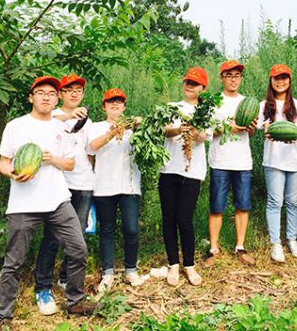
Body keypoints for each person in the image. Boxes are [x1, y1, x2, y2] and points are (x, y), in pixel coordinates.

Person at [0, 76, 94, 331]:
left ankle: (76, 300)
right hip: (23, 204)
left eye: (51, 92)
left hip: (58, 200)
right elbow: (3, 162)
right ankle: (3, 316)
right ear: (31, 97)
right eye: (40, 92)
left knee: (78, 248)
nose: (46, 96)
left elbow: (70, 163)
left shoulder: (62, 128)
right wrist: (13, 173)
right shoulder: (16, 126)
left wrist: (53, 160)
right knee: (14, 260)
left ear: (57, 98)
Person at [34, 74, 93, 314]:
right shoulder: (53, 116)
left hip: (84, 182)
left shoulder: (87, 120)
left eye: (78, 90)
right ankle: (42, 286)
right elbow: (54, 120)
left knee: (77, 236)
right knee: (53, 237)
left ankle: (66, 278)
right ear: (61, 94)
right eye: (69, 90)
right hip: (61, 184)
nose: (74, 93)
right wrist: (70, 115)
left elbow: (90, 150)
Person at [88, 88, 148, 296]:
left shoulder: (135, 128)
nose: (115, 105)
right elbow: (92, 147)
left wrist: (141, 128)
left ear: (124, 107)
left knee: (131, 229)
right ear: (104, 106)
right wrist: (112, 133)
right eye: (110, 102)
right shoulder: (96, 127)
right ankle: (108, 272)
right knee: (107, 229)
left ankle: (131, 270)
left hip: (130, 186)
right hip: (104, 185)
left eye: (119, 102)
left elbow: (149, 147)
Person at [160, 67, 211, 286]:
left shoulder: (207, 111)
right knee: (169, 218)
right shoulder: (173, 108)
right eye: (187, 82)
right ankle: (173, 264)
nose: (189, 85)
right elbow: (164, 130)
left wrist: (194, 130)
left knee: (185, 218)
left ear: (203, 88)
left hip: (193, 171)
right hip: (169, 168)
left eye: (195, 83)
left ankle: (189, 265)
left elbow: (202, 137)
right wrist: (179, 128)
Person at [205, 60, 257, 267]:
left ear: (240, 78)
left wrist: (249, 127)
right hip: (220, 160)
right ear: (222, 78)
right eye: (229, 75)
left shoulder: (247, 102)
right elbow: (209, 131)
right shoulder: (213, 102)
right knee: (216, 207)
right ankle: (213, 249)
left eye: (237, 75)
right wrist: (229, 126)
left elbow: (251, 133)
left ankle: (240, 248)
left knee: (242, 206)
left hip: (242, 161)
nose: (233, 79)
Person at [258, 64, 297, 263]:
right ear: (271, 81)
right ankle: (275, 243)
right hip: (274, 159)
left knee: (293, 202)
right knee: (274, 201)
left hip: (296, 159)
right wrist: (269, 130)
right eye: (276, 78)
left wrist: (293, 134)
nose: (280, 82)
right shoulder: (264, 106)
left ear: (289, 80)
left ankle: (292, 239)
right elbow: (266, 130)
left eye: (284, 78)